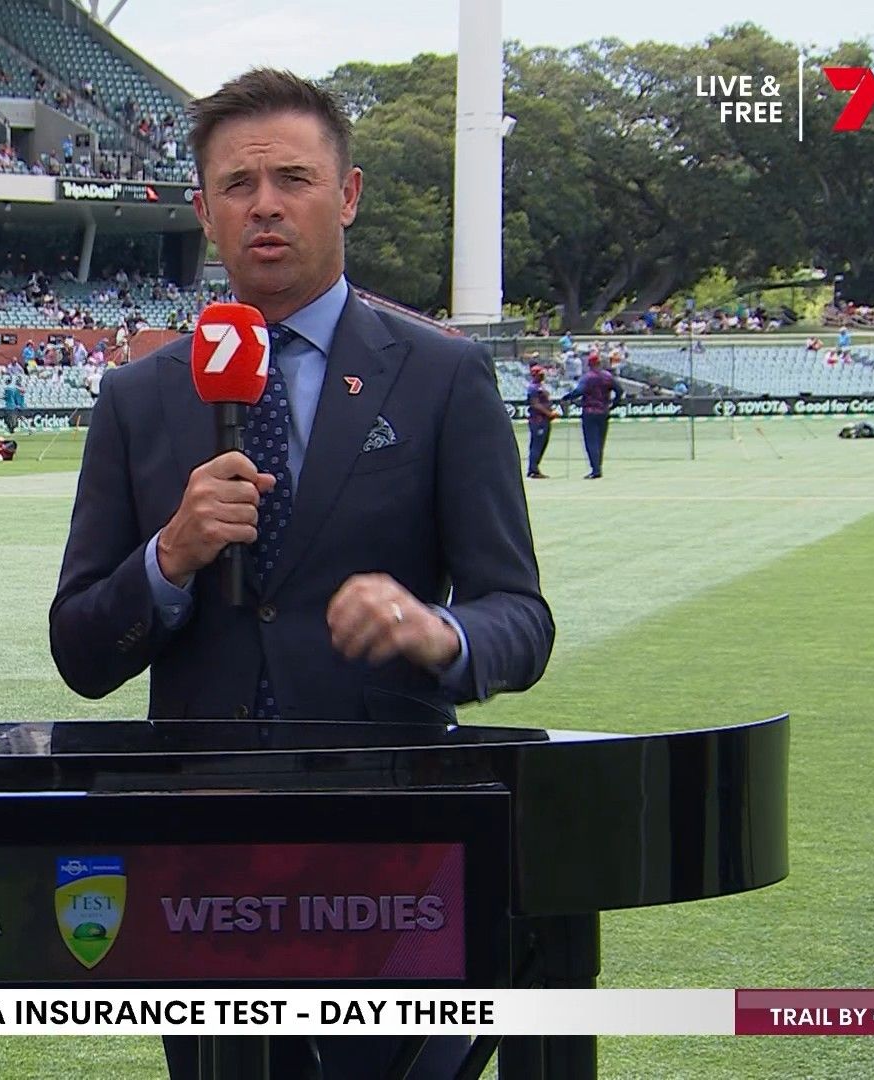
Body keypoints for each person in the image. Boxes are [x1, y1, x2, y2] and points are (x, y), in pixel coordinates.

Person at [48, 68, 552, 1080]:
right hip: (204, 848)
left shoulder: (441, 374)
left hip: (391, 834)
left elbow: (521, 616)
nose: (265, 205)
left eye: (293, 179)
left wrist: (439, 632)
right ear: (205, 212)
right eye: (238, 185)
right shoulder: (139, 397)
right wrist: (170, 558)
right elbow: (81, 651)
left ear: (347, 194)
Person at [560, 354, 623, 478]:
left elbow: (579, 391)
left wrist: (567, 397)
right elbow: (619, 390)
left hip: (589, 411)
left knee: (591, 441)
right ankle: (598, 466)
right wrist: (613, 404)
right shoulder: (608, 376)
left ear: (589, 364)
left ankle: (595, 469)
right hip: (603, 411)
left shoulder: (587, 377)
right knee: (600, 441)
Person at [525, 364, 554, 478]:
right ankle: (533, 470)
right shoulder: (533, 388)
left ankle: (534, 467)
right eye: (540, 374)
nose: (543, 376)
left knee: (542, 444)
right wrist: (549, 413)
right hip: (538, 420)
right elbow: (535, 404)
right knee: (537, 444)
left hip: (544, 420)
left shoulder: (541, 386)